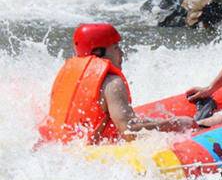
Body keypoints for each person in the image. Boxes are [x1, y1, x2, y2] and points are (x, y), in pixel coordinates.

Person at [38, 23, 192, 145]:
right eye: (116, 48)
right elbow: (129, 132)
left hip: (60, 149)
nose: (122, 53)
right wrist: (173, 124)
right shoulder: (111, 82)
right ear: (98, 52)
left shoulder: (67, 74)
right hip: (92, 156)